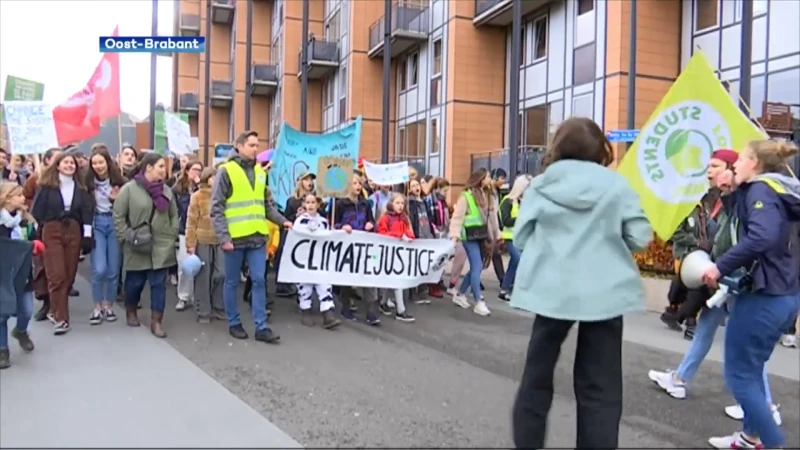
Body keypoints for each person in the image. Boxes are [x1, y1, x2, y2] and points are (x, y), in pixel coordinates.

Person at [510, 117, 653, 450]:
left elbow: (521, 237)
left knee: (537, 376)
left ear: (559, 146)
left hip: (552, 291)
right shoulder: (617, 185)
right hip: (604, 293)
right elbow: (641, 236)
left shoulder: (540, 185)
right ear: (600, 149)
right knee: (600, 386)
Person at [703, 140, 800, 450]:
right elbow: (751, 224)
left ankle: (773, 444)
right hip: (784, 294)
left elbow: (760, 236)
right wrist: (731, 191)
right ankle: (750, 437)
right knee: (753, 367)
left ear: (756, 164)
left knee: (739, 375)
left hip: (763, 295)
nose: (735, 166)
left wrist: (720, 267)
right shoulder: (776, 190)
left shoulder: (760, 189)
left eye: (741, 160)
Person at [210, 130, 290, 343]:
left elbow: (265, 206)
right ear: (239, 146)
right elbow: (216, 207)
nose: (256, 149)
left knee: (258, 281)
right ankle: (234, 322)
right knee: (232, 282)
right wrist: (224, 237)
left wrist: (283, 221)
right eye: (252, 145)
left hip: (257, 237)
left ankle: (261, 326)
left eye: (257, 145)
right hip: (234, 240)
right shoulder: (226, 171)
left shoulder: (261, 172)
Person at [113, 152, 179, 338]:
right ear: (148, 167)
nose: (164, 170)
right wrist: (125, 235)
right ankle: (131, 310)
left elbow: (174, 214)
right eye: (160, 166)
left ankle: (156, 321)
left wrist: (172, 231)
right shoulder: (129, 189)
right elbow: (118, 215)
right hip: (137, 244)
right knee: (135, 282)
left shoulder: (166, 191)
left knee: (159, 284)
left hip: (161, 244)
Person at [31, 152, 95, 335]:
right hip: (51, 230)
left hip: (73, 229)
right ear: (57, 166)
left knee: (68, 274)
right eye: (65, 162)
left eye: (72, 163)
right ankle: (61, 318)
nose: (69, 165)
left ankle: (55, 309)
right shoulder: (46, 187)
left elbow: (87, 212)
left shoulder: (80, 189)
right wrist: (35, 236)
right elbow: (37, 213)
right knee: (56, 274)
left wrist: (88, 235)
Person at [0, 182, 43, 369]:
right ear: (7, 197)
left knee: (26, 310)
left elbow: (33, 239)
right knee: (1, 313)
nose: (23, 198)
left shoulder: (25, 220)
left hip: (23, 272)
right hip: (2, 273)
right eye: (18, 195)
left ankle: (21, 330)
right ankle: (2, 350)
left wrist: (35, 245)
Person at [448, 168, 501, 317]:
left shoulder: (489, 195)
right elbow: (457, 217)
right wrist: (454, 235)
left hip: (484, 236)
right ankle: (479, 301)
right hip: (469, 236)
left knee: (477, 267)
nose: (490, 179)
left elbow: (493, 217)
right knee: (477, 265)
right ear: (481, 179)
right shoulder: (466, 196)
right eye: (488, 177)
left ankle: (460, 294)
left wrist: (497, 234)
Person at [84, 147, 127, 324]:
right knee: (99, 268)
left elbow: (126, 206)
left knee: (113, 269)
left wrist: (116, 200)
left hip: (114, 223)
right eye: (94, 163)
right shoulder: (87, 183)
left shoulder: (120, 181)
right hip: (97, 224)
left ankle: (109, 306)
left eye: (101, 162)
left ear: (108, 162)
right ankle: (97, 307)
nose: (98, 166)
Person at [334, 172, 381, 325]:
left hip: (364, 245)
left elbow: (372, 222)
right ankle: (345, 307)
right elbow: (333, 225)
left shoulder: (365, 203)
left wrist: (371, 225)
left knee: (367, 276)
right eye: (355, 183)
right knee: (348, 277)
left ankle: (371, 312)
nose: (358, 186)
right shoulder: (340, 204)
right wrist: (342, 226)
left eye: (359, 183)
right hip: (347, 246)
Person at [23, 147, 62, 321]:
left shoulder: (66, 180)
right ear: (46, 161)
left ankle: (58, 304)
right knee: (42, 265)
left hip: (60, 226)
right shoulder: (35, 179)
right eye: (56, 159)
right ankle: (46, 301)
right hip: (39, 225)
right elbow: (25, 198)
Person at [293, 193, 341, 329]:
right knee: (305, 286)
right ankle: (305, 310)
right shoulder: (300, 221)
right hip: (304, 261)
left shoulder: (324, 222)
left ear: (318, 204)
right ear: (303, 204)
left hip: (320, 261)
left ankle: (328, 314)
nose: (310, 205)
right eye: (307, 202)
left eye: (313, 202)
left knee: (324, 285)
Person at [185, 167, 226, 323]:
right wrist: (190, 243)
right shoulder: (197, 196)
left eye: (217, 176)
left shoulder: (223, 196)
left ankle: (218, 306)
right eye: (212, 176)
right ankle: (203, 310)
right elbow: (191, 221)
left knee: (221, 274)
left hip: (220, 240)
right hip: (202, 240)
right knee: (203, 276)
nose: (215, 179)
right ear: (206, 178)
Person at [376, 193, 417, 322]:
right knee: (397, 280)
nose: (400, 206)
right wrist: (399, 235)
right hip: (388, 254)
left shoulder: (404, 218)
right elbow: (382, 234)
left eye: (402, 203)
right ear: (391, 204)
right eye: (397, 203)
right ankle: (401, 310)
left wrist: (407, 236)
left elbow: (410, 233)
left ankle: (383, 302)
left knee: (392, 280)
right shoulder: (385, 219)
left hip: (400, 254)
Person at [173, 158, 203, 310]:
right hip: (184, 230)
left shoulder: (204, 189)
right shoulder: (178, 189)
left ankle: (198, 297)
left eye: (199, 170)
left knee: (200, 265)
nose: (196, 173)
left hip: (202, 231)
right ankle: (183, 296)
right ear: (186, 171)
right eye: (193, 169)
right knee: (184, 265)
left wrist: (200, 184)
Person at [498, 174, 532, 301]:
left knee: (514, 263)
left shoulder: (521, 202)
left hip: (520, 237)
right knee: (518, 260)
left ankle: (505, 288)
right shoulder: (507, 201)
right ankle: (510, 288)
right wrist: (521, 218)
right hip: (510, 237)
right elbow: (505, 220)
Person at [407, 178, 440, 300]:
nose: (417, 187)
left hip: (427, 234)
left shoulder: (425, 202)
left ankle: (422, 288)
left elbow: (429, 219)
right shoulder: (410, 203)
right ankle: (413, 291)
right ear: (409, 189)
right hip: (418, 235)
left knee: (425, 263)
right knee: (416, 264)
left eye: (417, 185)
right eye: (413, 185)